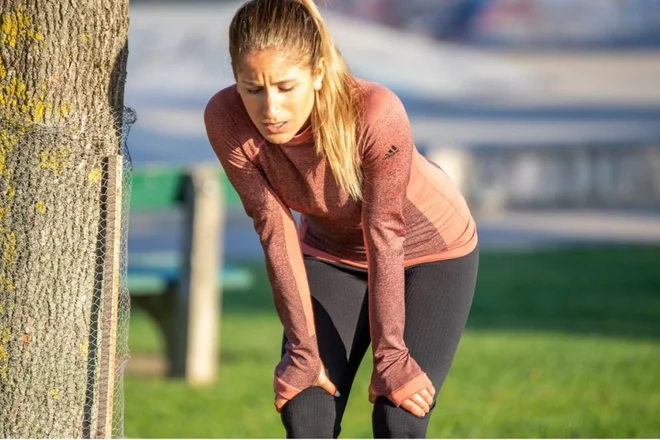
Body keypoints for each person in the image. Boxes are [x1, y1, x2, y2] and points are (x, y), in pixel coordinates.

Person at [204, 0, 479, 437]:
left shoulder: (374, 112)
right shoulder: (226, 118)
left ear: (316, 74)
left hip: (429, 253)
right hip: (332, 254)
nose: (270, 108)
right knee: (305, 408)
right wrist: (302, 349)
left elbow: (385, 232)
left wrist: (391, 356)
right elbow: (274, 228)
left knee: (398, 414)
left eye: (285, 87)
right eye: (252, 88)